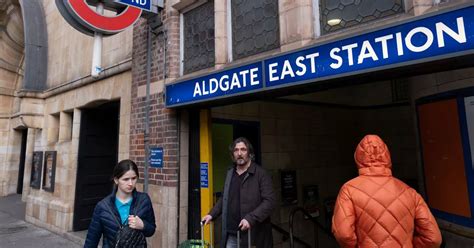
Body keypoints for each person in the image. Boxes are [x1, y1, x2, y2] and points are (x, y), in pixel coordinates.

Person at [332, 134, 442, 248]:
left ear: (358, 158)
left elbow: (344, 235)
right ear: (387, 157)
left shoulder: (348, 190)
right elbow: (433, 238)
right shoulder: (410, 192)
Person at [202, 137, 276, 248]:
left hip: (253, 235)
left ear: (249, 153)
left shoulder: (261, 174)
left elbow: (269, 202)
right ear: (233, 154)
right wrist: (211, 214)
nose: (239, 153)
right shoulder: (230, 173)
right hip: (232, 234)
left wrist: (250, 219)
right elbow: (224, 198)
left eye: (243, 149)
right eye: (236, 150)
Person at [84, 159, 156, 248]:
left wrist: (143, 225)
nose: (130, 183)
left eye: (133, 178)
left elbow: (151, 230)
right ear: (116, 180)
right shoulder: (102, 207)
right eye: (125, 179)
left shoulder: (144, 200)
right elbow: (91, 240)